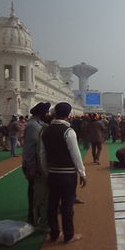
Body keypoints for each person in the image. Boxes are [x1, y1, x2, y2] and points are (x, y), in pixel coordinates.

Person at [42, 102, 85, 243]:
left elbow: (42, 154)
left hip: (52, 173)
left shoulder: (46, 131)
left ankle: (54, 233)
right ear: (68, 114)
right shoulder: (68, 131)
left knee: (52, 204)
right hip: (67, 174)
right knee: (67, 205)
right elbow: (75, 154)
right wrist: (82, 173)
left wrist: (46, 171)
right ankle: (69, 235)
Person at [22, 102, 52, 229]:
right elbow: (30, 148)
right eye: (47, 112)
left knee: (37, 190)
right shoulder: (33, 126)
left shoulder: (38, 124)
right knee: (34, 191)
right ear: (42, 114)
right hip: (34, 165)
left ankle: (36, 214)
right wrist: (31, 167)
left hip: (36, 164)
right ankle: (32, 216)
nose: (48, 114)